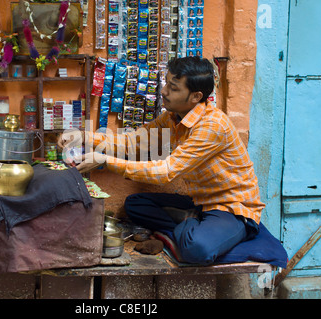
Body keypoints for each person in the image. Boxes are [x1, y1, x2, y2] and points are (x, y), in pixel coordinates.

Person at [58, 57, 265, 265]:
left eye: (173, 88)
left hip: (231, 208)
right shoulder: (172, 118)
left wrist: (106, 161)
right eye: (166, 83)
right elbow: (132, 142)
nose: (164, 91)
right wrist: (83, 136)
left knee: (197, 250)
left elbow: (166, 171)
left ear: (196, 96)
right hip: (201, 204)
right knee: (134, 205)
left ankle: (193, 226)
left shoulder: (212, 126)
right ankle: (191, 220)